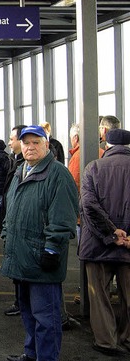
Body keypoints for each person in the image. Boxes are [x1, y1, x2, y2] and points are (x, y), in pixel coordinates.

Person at [1, 125, 78, 361]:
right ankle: (31, 354)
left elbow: (64, 217)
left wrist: (52, 249)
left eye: (36, 142)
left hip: (42, 259)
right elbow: (11, 209)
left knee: (47, 317)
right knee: (28, 312)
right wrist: (6, 234)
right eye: (26, 143)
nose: (30, 147)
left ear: (47, 145)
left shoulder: (57, 174)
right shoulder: (21, 171)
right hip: (21, 257)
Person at [79, 128, 130, 357]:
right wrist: (126, 236)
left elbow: (89, 206)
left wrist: (111, 233)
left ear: (106, 144)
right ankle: (127, 337)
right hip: (128, 245)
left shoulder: (93, 167)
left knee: (99, 295)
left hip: (98, 245)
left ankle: (106, 341)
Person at [1, 124, 27, 317]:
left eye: (12, 139)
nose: (9, 142)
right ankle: (20, 302)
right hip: (12, 224)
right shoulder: (14, 162)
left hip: (22, 227)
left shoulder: (21, 165)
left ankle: (22, 303)